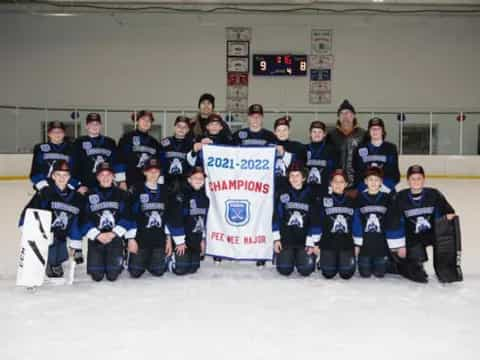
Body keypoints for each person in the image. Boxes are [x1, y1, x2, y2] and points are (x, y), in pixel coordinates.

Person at [20, 160, 84, 278]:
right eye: (58, 175)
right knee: (51, 255)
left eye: (65, 175)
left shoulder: (76, 197)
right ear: (53, 176)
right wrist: (25, 227)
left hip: (61, 235)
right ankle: (46, 260)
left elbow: (75, 222)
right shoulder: (45, 193)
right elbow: (29, 211)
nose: (61, 178)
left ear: (69, 177)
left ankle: (55, 259)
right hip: (46, 235)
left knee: (62, 256)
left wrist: (76, 245)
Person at [232, 104, 278, 267]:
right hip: (243, 184)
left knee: (262, 217)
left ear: (262, 117)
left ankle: (261, 252)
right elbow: (230, 156)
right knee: (244, 215)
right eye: (253, 116)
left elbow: (276, 158)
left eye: (258, 116)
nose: (255, 118)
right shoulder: (239, 135)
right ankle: (240, 249)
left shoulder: (270, 136)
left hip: (262, 184)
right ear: (248, 117)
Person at [393, 165, 456, 283]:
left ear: (424, 179)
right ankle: (410, 265)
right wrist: (400, 244)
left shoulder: (434, 194)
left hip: (432, 233)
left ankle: (444, 267)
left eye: (419, 178)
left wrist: (447, 216)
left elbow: (449, 211)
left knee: (447, 234)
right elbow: (395, 221)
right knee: (418, 276)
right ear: (408, 180)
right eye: (413, 178)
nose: (416, 181)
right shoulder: (400, 197)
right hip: (412, 237)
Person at [127, 158, 185, 278]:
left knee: (158, 271)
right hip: (141, 238)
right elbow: (129, 214)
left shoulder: (166, 190)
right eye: (150, 171)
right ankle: (129, 257)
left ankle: (159, 259)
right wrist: (130, 239)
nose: (153, 174)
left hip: (159, 238)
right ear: (144, 172)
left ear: (160, 173)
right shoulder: (136, 189)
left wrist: (168, 239)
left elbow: (170, 217)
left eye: (156, 171)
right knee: (135, 272)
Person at [83, 162, 135, 282]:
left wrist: (114, 234)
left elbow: (127, 217)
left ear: (113, 177)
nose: (105, 178)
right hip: (97, 238)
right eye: (102, 175)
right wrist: (97, 234)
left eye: (108, 175)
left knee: (112, 275)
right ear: (97, 177)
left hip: (115, 237)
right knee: (97, 276)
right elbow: (84, 217)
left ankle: (121, 258)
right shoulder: (89, 194)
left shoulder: (122, 194)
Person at [352, 167, 406, 278]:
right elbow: (356, 220)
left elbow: (394, 220)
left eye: (376, 180)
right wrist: (357, 243)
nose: (373, 182)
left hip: (381, 243)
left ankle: (390, 261)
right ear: (365, 181)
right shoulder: (359, 197)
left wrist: (398, 244)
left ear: (381, 182)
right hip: (365, 244)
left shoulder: (388, 198)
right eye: (370, 179)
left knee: (380, 273)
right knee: (365, 273)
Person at [272, 162, 318, 277]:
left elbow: (315, 219)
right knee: (284, 269)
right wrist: (276, 239)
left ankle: (301, 257)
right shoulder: (283, 193)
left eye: (297, 175)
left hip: (304, 239)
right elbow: (277, 216)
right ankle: (290, 256)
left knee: (306, 269)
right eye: (291, 176)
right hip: (287, 239)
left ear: (303, 177)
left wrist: (312, 242)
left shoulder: (311, 194)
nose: (294, 178)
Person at [313, 169, 357, 280]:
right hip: (328, 242)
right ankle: (324, 259)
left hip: (346, 242)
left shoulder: (352, 201)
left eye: (341, 181)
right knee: (328, 273)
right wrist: (316, 243)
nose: (338, 184)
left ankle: (343, 259)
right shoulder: (323, 200)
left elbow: (357, 224)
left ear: (346, 184)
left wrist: (357, 244)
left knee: (346, 274)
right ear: (330, 183)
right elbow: (317, 221)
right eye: (335, 181)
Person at [170, 166, 209, 275]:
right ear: (189, 179)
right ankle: (170, 259)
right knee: (181, 269)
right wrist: (179, 242)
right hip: (183, 240)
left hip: (195, 239)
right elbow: (175, 220)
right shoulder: (180, 196)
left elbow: (203, 221)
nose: (198, 181)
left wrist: (202, 239)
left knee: (193, 269)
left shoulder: (205, 198)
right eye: (195, 178)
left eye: (201, 179)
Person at [71, 113, 117, 194]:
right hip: (85, 187)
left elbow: (115, 163)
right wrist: (78, 185)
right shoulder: (78, 142)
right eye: (91, 124)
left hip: (106, 185)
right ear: (86, 126)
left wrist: (116, 181)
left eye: (97, 124)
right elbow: (73, 166)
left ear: (101, 126)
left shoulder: (110, 142)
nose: (94, 126)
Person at [116, 110, 162, 190]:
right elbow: (120, 160)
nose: (146, 122)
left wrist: (160, 183)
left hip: (148, 183)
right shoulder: (127, 138)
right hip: (130, 182)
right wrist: (121, 181)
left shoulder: (155, 143)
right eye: (143, 119)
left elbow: (158, 165)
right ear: (137, 121)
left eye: (149, 120)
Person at [353, 117, 400, 193]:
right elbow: (357, 172)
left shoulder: (391, 148)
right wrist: (365, 188)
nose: (375, 131)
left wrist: (384, 187)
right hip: (365, 190)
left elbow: (394, 173)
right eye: (372, 129)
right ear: (368, 132)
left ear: (383, 131)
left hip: (386, 190)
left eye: (378, 129)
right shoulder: (360, 149)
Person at [328, 99, 367, 190]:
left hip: (358, 184)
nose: (345, 116)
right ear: (338, 117)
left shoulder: (364, 135)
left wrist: (362, 185)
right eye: (342, 113)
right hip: (337, 184)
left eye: (348, 113)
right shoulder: (331, 135)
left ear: (353, 115)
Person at [30, 120, 78, 191]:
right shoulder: (40, 148)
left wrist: (70, 185)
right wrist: (43, 185)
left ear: (64, 134)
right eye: (54, 132)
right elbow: (35, 169)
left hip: (65, 186)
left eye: (60, 132)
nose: (57, 134)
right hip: (45, 187)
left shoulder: (72, 148)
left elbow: (75, 170)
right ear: (49, 134)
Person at [159, 115, 194, 191]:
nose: (181, 129)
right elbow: (159, 163)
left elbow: (192, 166)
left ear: (188, 129)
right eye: (179, 126)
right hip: (166, 183)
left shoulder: (191, 145)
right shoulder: (164, 143)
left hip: (184, 184)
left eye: (184, 127)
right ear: (174, 127)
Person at [305, 120, 338, 200]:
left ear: (324, 134)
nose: (317, 134)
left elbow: (336, 171)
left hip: (325, 191)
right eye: (314, 132)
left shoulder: (333, 150)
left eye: (319, 132)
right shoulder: (304, 149)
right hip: (307, 191)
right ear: (310, 133)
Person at [273, 116, 306, 192]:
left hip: (291, 189)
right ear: (274, 132)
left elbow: (300, 166)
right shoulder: (269, 147)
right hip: (272, 189)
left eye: (285, 130)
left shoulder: (298, 147)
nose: (282, 133)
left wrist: (284, 154)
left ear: (289, 131)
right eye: (279, 130)